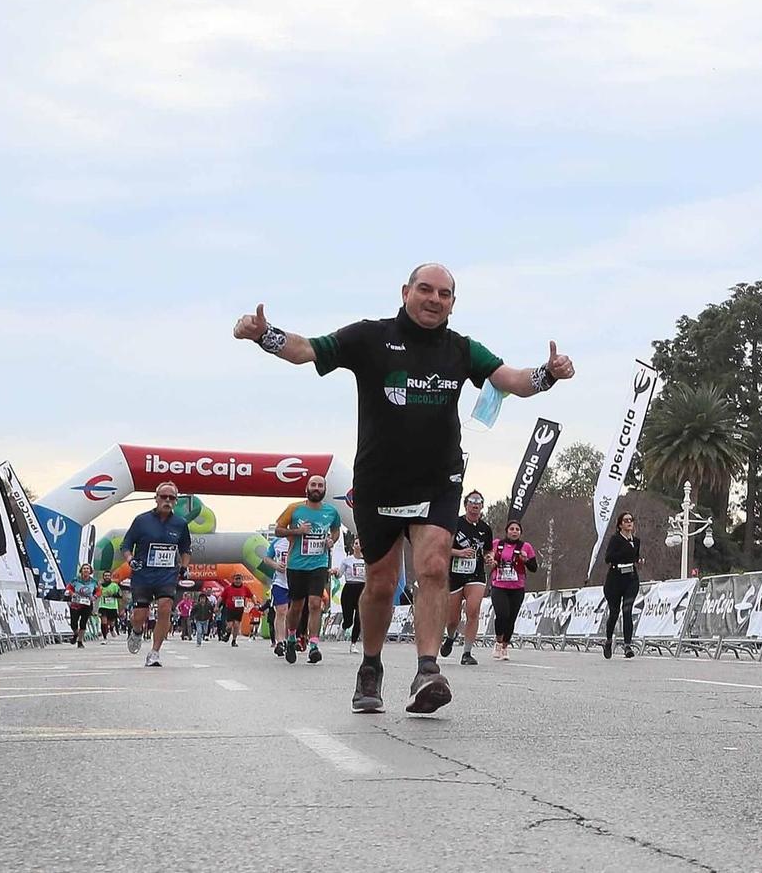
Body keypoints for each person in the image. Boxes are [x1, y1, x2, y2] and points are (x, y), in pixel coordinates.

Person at [232, 263, 576, 714]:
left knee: (433, 565)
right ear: (406, 291)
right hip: (379, 480)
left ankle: (427, 670)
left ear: (454, 302)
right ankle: (371, 667)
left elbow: (509, 380)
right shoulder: (370, 338)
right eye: (426, 290)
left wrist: (547, 374)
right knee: (382, 581)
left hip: (438, 477)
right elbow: (307, 350)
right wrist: (264, 334)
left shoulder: (462, 350)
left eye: (445, 294)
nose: (435, 299)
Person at [272, 474, 345, 666]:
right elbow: (278, 530)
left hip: (319, 564)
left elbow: (336, 530)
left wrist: (332, 540)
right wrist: (297, 531)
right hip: (296, 564)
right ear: (307, 488)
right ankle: (291, 638)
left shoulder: (331, 511)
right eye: (313, 485)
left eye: (320, 485)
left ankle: (313, 645)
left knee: (315, 603)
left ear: (325, 490)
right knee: (296, 606)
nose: (317, 488)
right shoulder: (294, 509)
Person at [119, 482, 193, 667]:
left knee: (165, 607)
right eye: (164, 497)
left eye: (172, 498)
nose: (167, 501)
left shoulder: (180, 523)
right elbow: (126, 545)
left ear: (176, 501)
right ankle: (136, 631)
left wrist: (184, 567)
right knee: (139, 615)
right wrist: (130, 560)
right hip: (143, 574)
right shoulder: (141, 520)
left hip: (167, 574)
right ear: (156, 498)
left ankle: (155, 652)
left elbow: (186, 549)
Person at [442, 492, 494, 667]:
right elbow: (442, 548)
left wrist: (489, 558)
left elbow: (488, 551)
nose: (475, 505)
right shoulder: (454, 523)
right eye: (472, 502)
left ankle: (467, 652)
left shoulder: (486, 529)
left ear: (482, 506)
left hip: (476, 574)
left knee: (473, 611)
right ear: (465, 505)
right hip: (455, 574)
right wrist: (459, 553)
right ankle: (450, 636)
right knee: (452, 619)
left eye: (479, 502)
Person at [488, 520, 538, 660]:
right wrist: (492, 560)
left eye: (517, 529)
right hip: (499, 585)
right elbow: (488, 557)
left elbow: (534, 568)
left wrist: (526, 560)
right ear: (507, 531)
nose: (514, 531)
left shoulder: (526, 547)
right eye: (512, 529)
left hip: (517, 587)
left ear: (520, 532)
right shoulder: (497, 544)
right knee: (502, 614)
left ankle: (505, 646)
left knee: (511, 618)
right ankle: (498, 642)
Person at [600, 512, 641, 660]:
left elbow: (635, 557)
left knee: (627, 610)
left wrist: (638, 560)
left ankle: (627, 645)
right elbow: (608, 558)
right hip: (615, 579)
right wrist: (625, 549)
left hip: (631, 578)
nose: (629, 522)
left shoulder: (636, 541)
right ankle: (609, 640)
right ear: (620, 525)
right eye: (626, 520)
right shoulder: (615, 539)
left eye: (631, 520)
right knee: (614, 612)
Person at [335, 536, 367, 654]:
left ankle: (353, 644)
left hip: (362, 589)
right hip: (349, 589)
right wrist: (335, 573)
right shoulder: (347, 560)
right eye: (356, 543)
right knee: (349, 620)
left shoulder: (367, 561)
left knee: (359, 618)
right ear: (353, 546)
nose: (358, 545)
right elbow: (339, 575)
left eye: (360, 543)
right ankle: (344, 626)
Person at [262, 529, 291, 656]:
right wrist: (276, 565)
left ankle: (292, 638)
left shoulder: (300, 542)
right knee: (281, 611)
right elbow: (266, 558)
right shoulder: (277, 542)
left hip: (296, 581)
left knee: (292, 613)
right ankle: (280, 641)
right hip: (280, 582)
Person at [66, 564, 99, 647]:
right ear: (81, 570)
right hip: (75, 604)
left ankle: (80, 642)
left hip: (87, 604)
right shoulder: (76, 580)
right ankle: (75, 634)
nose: (86, 570)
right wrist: (72, 593)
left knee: (83, 623)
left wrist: (94, 596)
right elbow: (68, 587)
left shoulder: (94, 581)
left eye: (88, 568)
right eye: (84, 568)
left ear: (90, 571)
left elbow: (99, 591)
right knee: (73, 623)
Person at [221, 574, 252, 647]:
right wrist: (216, 606)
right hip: (230, 609)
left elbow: (251, 596)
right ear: (233, 580)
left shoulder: (245, 588)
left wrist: (256, 604)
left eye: (239, 579)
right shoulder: (228, 588)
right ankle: (228, 634)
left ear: (241, 580)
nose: (238, 581)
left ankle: (234, 640)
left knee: (236, 626)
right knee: (229, 626)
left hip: (239, 610)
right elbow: (221, 597)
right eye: (236, 579)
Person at [97, 573, 122, 640]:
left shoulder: (114, 585)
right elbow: (97, 593)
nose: (107, 577)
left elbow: (120, 595)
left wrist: (112, 594)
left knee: (111, 621)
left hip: (112, 606)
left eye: (108, 576)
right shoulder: (100, 586)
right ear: (103, 577)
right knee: (103, 621)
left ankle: (111, 628)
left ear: (110, 577)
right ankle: (104, 637)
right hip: (103, 605)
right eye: (105, 576)